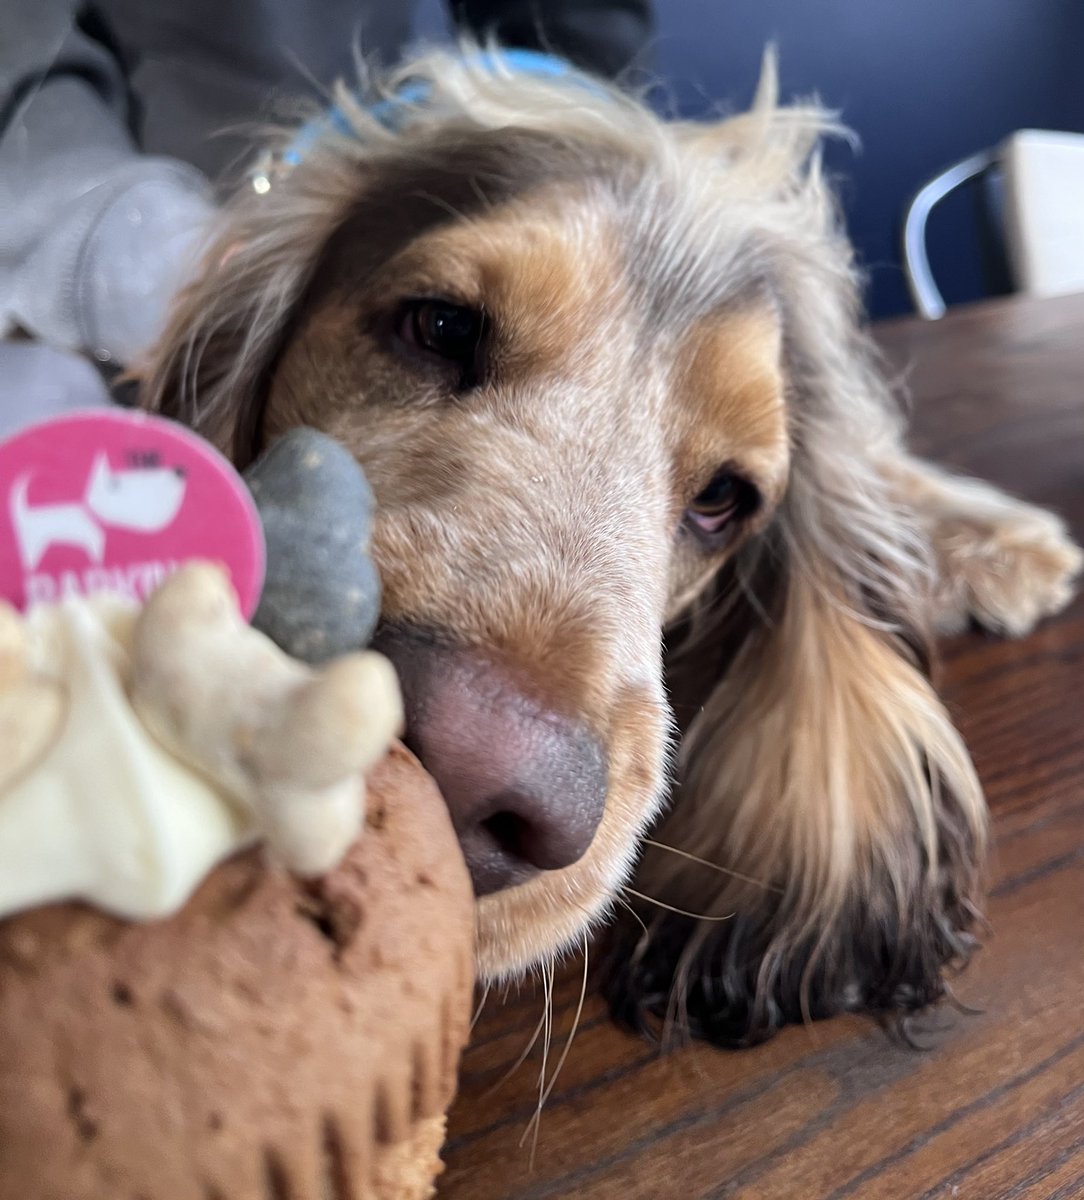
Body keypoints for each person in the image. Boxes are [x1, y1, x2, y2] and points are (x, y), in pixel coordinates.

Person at [0, 0, 653, 435]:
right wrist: (128, 249)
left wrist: (569, 168)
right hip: (72, 197)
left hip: (370, 179)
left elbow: (573, 29)